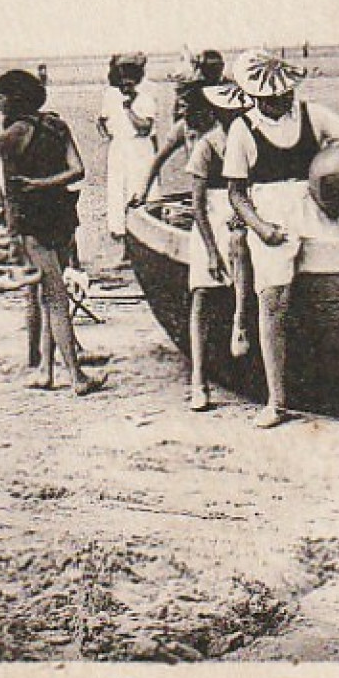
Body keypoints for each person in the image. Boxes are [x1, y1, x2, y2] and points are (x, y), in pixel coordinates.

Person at [225, 49, 339, 429]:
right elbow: (236, 193)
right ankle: (277, 401)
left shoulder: (313, 114)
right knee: (273, 302)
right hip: (270, 217)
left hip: (316, 209)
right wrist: (260, 227)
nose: (279, 101)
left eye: (283, 94)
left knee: (336, 288)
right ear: (254, 97)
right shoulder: (242, 129)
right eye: (269, 97)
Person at [0, 69, 100, 396]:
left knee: (52, 299)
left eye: (0, 96)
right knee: (52, 297)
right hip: (63, 214)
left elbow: (11, 196)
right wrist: (47, 183)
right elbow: (77, 171)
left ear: (15, 99)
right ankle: (45, 370)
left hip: (33, 222)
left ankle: (75, 376)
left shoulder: (9, 138)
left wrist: (13, 242)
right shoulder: (57, 125)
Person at [179, 81, 254, 411]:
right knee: (203, 297)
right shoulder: (207, 146)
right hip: (210, 224)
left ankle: (240, 345)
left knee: (247, 289)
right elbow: (197, 205)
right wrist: (210, 250)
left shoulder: (251, 141)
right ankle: (198, 380)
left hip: (241, 219)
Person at [131, 50, 227, 207]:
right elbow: (158, 160)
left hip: (224, 190)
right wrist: (143, 191)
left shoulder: (221, 125)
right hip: (202, 191)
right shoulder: (183, 127)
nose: (181, 110)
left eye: (186, 106)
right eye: (181, 106)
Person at [96, 54, 160, 243]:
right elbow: (101, 120)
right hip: (119, 148)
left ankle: (141, 237)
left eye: (129, 84)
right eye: (122, 84)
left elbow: (146, 128)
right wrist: (108, 135)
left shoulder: (146, 100)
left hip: (140, 149)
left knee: (140, 189)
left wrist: (128, 110)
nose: (126, 88)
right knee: (118, 190)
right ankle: (121, 236)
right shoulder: (111, 96)